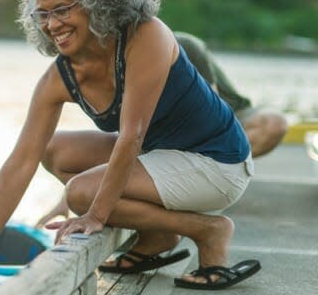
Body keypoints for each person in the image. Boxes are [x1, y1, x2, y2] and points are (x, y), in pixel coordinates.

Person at [0, 0, 260, 293]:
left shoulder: (145, 37)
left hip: (217, 164)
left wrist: (95, 215)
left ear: (96, 1)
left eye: (62, 9)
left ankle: (207, 231)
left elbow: (131, 136)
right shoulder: (59, 77)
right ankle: (159, 233)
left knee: (81, 194)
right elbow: (22, 160)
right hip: (160, 156)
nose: (52, 25)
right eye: (43, 13)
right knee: (54, 150)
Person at [35, 32, 288, 228]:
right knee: (66, 157)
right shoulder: (119, 59)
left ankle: (203, 193)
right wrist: (66, 201)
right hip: (160, 133)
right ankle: (159, 215)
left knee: (274, 123)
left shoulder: (184, 45)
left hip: (225, 118)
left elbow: (209, 116)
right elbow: (131, 134)